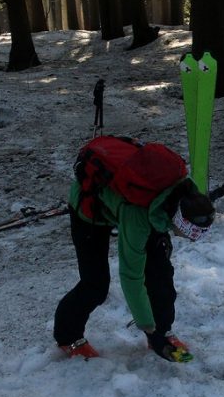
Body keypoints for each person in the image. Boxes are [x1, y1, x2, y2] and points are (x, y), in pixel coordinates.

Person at [53, 141, 215, 363]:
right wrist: (146, 325)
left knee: (161, 275)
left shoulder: (189, 191)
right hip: (89, 211)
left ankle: (163, 331)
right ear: (178, 220)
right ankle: (68, 337)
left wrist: (158, 333)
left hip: (149, 210)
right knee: (95, 284)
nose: (188, 238)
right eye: (187, 233)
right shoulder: (137, 218)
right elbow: (131, 276)